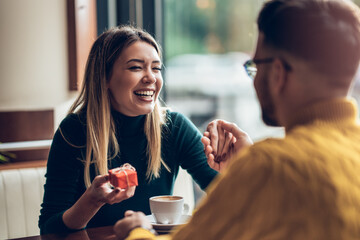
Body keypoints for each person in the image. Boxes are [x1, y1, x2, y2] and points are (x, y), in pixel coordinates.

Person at [113, 0, 360, 239]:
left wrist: (138, 231)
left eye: (254, 66)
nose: (253, 78)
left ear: (277, 73)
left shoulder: (272, 164)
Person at [38, 25, 218, 234]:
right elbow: (49, 230)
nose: (151, 78)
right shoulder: (73, 131)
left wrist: (232, 163)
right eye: (136, 67)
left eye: (156, 68)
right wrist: (92, 201)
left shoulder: (174, 127)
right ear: (104, 77)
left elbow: (231, 195)